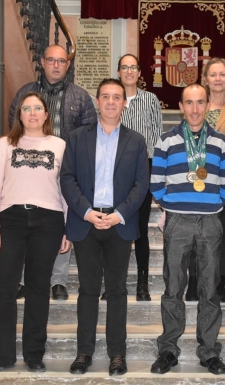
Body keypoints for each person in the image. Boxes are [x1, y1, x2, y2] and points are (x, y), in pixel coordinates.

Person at [0, 92, 71, 374]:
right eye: (27, 108)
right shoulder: (5, 144)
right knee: (4, 289)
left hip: (48, 220)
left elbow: (65, 190)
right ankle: (0, 356)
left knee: (39, 289)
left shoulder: (60, 145)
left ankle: (33, 354)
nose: (32, 113)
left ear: (46, 114)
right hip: (10, 219)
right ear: (20, 114)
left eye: (38, 108)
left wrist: (67, 227)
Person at [60, 78, 149, 376]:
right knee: (87, 290)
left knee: (116, 290)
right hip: (86, 221)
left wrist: (120, 214)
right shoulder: (76, 138)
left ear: (125, 104)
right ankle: (83, 352)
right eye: (105, 96)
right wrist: (85, 211)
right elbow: (67, 179)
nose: (111, 102)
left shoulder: (136, 141)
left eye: (117, 97)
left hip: (119, 223)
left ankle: (117, 354)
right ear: (97, 102)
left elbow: (141, 184)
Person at [150, 83, 225, 376]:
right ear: (182, 106)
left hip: (210, 221)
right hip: (178, 221)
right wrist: (171, 205)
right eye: (190, 103)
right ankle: (168, 350)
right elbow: (156, 183)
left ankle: (209, 352)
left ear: (207, 104)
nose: (195, 109)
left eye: (201, 102)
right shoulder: (166, 141)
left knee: (210, 289)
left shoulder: (221, 142)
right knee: (173, 287)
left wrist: (211, 206)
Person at [9, 44, 97, 301]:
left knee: (61, 221)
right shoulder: (26, 93)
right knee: (29, 222)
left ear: (68, 65)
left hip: (66, 170)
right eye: (51, 60)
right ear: (42, 62)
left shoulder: (81, 97)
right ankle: (26, 279)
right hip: (30, 169)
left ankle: (58, 280)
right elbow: (13, 124)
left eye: (61, 61)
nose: (56, 65)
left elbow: (89, 137)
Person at [184, 58, 225, 303]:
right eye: (213, 74)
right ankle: (193, 281)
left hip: (222, 183)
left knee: (219, 234)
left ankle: (217, 284)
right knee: (192, 233)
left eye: (222, 74)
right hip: (191, 181)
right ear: (206, 79)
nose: (218, 79)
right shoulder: (197, 108)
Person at [117, 53, 162, 301]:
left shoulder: (150, 99)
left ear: (139, 72)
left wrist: (154, 172)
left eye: (133, 67)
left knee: (141, 229)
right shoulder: (113, 98)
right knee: (117, 227)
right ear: (119, 72)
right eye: (124, 67)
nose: (129, 71)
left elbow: (157, 136)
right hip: (116, 169)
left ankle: (142, 283)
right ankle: (114, 281)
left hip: (144, 167)